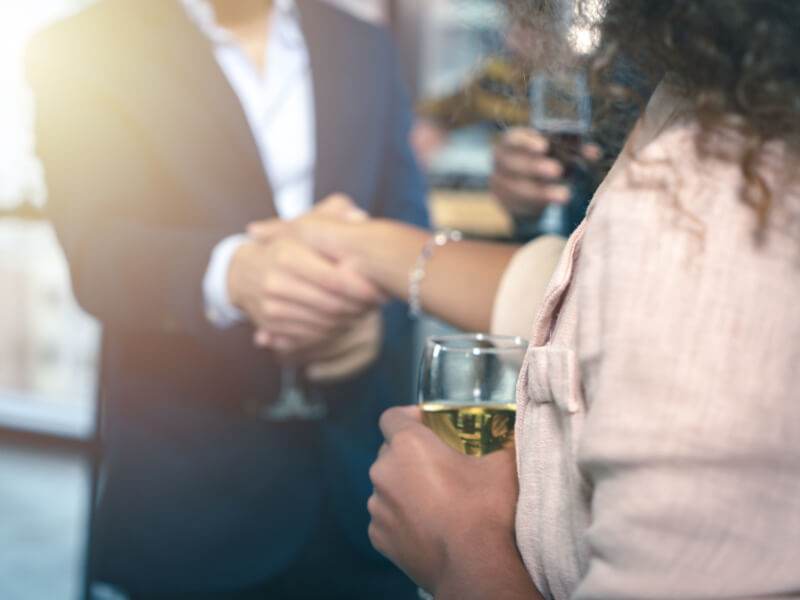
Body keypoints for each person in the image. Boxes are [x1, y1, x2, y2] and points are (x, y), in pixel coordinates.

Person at [253, 1, 800, 598]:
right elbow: (593, 302)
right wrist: (354, 241)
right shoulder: (710, 95)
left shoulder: (710, 187)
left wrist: (460, 542)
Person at [26, 0, 427, 598]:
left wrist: (380, 323)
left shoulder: (361, 44)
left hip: (360, 492)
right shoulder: (84, 43)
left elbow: (406, 220)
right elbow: (98, 254)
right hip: (192, 501)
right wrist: (235, 273)